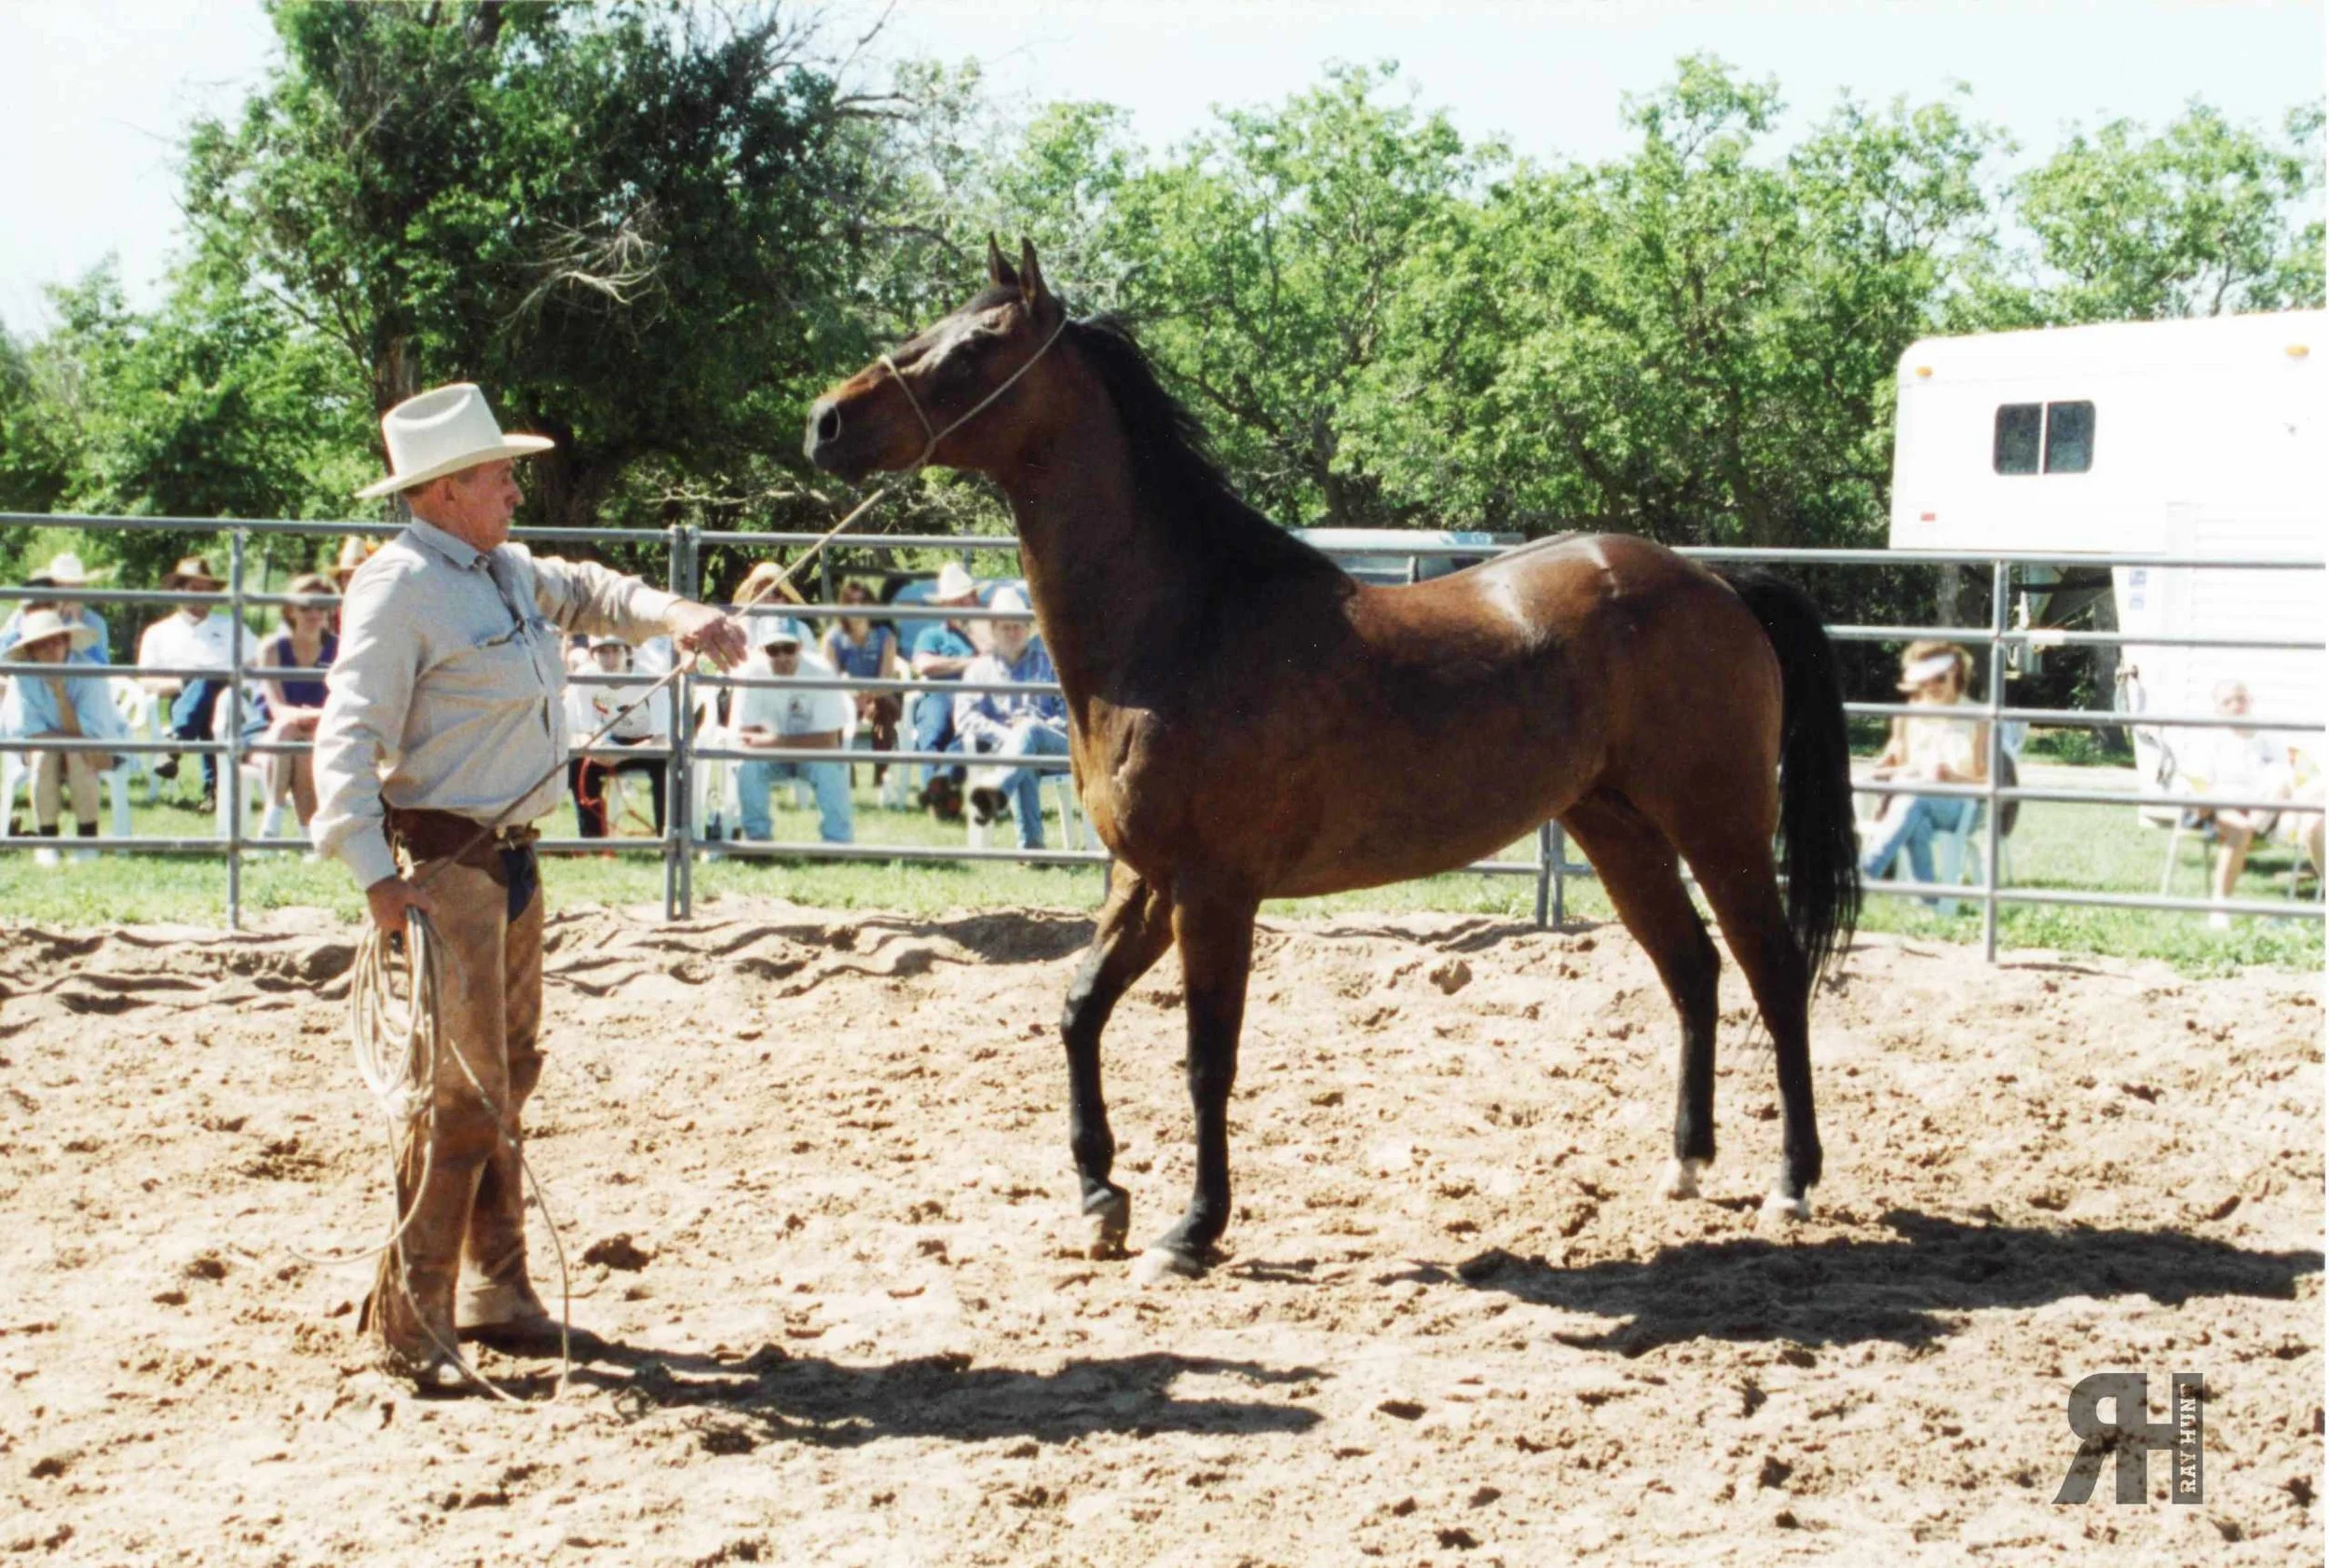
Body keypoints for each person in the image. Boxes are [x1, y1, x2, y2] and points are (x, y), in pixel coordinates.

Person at [311, 381, 746, 1391]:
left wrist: (677, 613)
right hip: (446, 865)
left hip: (504, 860)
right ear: (448, 488)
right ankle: (413, 1317)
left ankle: (496, 1292)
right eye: (499, 472)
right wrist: (375, 878)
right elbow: (346, 733)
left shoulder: (496, 567)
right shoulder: (400, 585)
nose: (515, 485)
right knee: (461, 1094)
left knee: (506, 1074)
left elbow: (591, 590)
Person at [1859, 640, 1988, 901]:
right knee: (1914, 812)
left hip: (1961, 806)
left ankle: (1865, 871)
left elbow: (1987, 781)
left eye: (1939, 678)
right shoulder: (1906, 716)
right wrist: (1893, 770)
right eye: (1924, 680)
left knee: (1912, 800)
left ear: (1956, 672)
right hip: (1912, 800)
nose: (1932, 686)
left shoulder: (1977, 717)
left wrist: (1953, 777)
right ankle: (1929, 901)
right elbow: (1889, 767)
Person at [2, 607, 129, 864]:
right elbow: (28, 734)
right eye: (42, 645)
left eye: (57, 641)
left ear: (67, 641)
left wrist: (61, 695)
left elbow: (94, 737)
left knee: (75, 751)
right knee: (46, 752)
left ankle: (86, 841)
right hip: (43, 751)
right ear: (30, 651)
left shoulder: (90, 672)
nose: (51, 649)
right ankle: (47, 841)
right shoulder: (21, 677)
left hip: (98, 749)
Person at [2175, 679, 2298, 929]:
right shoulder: (2209, 739)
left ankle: (2257, 826)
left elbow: (2285, 779)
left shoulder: (2268, 738)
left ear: (2251, 701)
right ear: (2218, 709)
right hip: (2218, 805)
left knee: (2289, 789)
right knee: (2240, 827)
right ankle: (2220, 906)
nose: (2236, 705)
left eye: (2241, 698)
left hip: (2263, 807)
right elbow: (2201, 787)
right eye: (2227, 701)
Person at [953, 588, 1070, 850]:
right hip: (1009, 751)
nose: (1012, 633)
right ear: (993, 630)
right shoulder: (979, 670)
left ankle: (997, 792)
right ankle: (1032, 850)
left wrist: (1034, 730)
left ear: (1029, 629)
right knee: (1022, 754)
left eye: (1018, 626)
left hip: (1057, 747)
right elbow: (964, 717)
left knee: (1028, 732)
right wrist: (1010, 736)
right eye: (1005, 627)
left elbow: (1069, 714)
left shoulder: (1050, 664)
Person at [732, 614, 853, 845]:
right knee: (747, 765)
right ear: (760, 650)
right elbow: (746, 738)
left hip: (813, 756)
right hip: (773, 755)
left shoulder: (821, 671)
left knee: (830, 766)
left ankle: (838, 844)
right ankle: (758, 840)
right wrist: (788, 741)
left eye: (788, 648)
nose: (782, 657)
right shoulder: (750, 673)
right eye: (773, 650)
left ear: (800, 646)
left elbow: (830, 741)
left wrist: (771, 740)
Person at [136, 554, 240, 809]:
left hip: (231, 701)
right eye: (194, 589)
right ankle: (213, 790)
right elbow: (146, 683)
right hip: (180, 700)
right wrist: (185, 682)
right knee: (205, 688)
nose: (201, 598)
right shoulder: (159, 633)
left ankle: (175, 742)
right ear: (178, 591)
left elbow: (255, 665)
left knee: (214, 687)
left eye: (207, 591)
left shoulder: (230, 626)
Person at [253, 573, 338, 834]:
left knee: (299, 742)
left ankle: (272, 822)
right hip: (268, 730)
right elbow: (276, 708)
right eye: (305, 606)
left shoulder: (340, 649)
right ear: (291, 610)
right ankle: (304, 834)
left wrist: (315, 717)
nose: (314, 614)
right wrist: (308, 716)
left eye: (321, 607)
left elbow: (344, 703)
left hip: (322, 730)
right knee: (288, 733)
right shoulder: (272, 649)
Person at [565, 634, 668, 839]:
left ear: (628, 653)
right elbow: (579, 731)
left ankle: (665, 838)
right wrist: (593, 749)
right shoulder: (584, 678)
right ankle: (593, 841)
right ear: (593, 655)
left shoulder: (651, 678)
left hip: (644, 746)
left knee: (667, 766)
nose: (610, 659)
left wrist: (623, 753)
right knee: (575, 765)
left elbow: (663, 739)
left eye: (616, 651)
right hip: (601, 745)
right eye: (603, 652)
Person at [907, 562, 985, 817]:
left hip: (978, 699)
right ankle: (940, 798)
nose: (966, 604)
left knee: (970, 737)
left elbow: (1003, 663)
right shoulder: (932, 635)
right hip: (940, 694)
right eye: (958, 601)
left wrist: (977, 635)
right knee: (935, 728)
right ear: (944, 606)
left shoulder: (988, 634)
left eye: (969, 598)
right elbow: (924, 664)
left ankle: (941, 788)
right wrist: (969, 663)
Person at [822, 578, 901, 794]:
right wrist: (852, 697)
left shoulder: (886, 637)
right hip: (845, 697)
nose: (857, 607)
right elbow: (829, 680)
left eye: (862, 600)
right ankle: (847, 777)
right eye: (851, 601)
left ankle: (881, 778)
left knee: (883, 711)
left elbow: (886, 681)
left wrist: (868, 696)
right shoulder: (834, 639)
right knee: (832, 709)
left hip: (880, 697)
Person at [1, 552, 112, 666]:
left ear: (82, 587)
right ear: (52, 586)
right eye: (61, 585)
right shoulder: (26, 612)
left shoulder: (94, 622)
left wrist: (77, 624)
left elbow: (101, 667)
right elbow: (3, 651)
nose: (67, 592)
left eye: (74, 586)